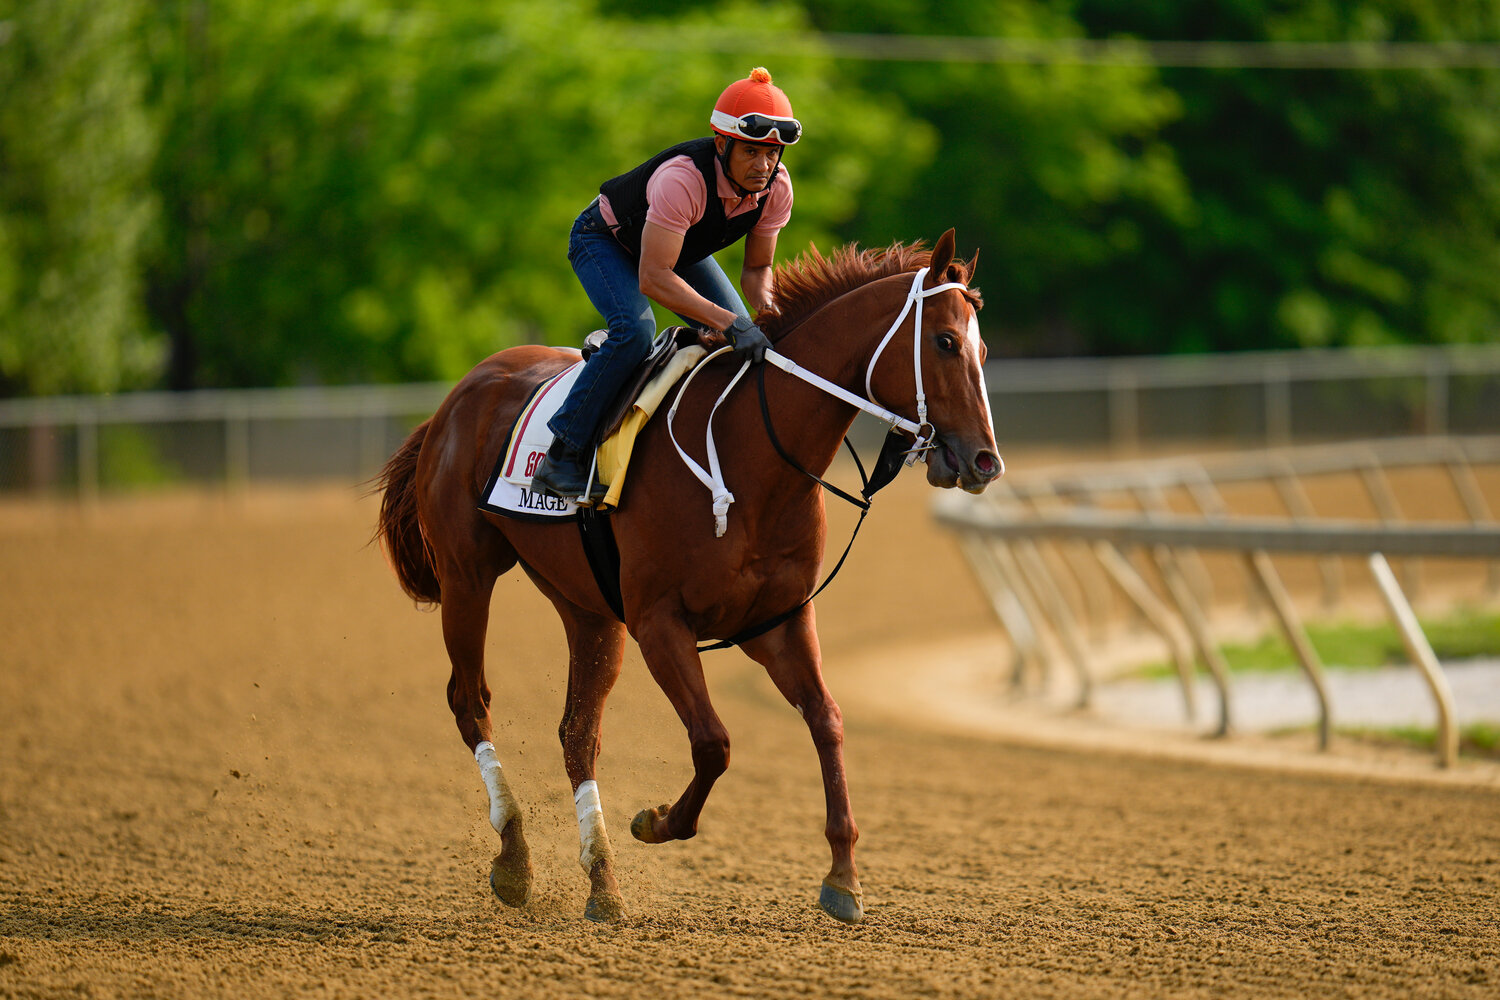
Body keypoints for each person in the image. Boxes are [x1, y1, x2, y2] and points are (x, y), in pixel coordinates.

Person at [531, 67, 800, 499]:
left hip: (676, 253)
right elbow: (654, 278)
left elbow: (756, 271)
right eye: (751, 152)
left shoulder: (777, 188)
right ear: (721, 144)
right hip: (603, 241)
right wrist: (731, 322)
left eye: (772, 154)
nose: (763, 165)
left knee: (748, 335)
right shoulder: (682, 179)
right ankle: (562, 452)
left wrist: (768, 317)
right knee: (635, 332)